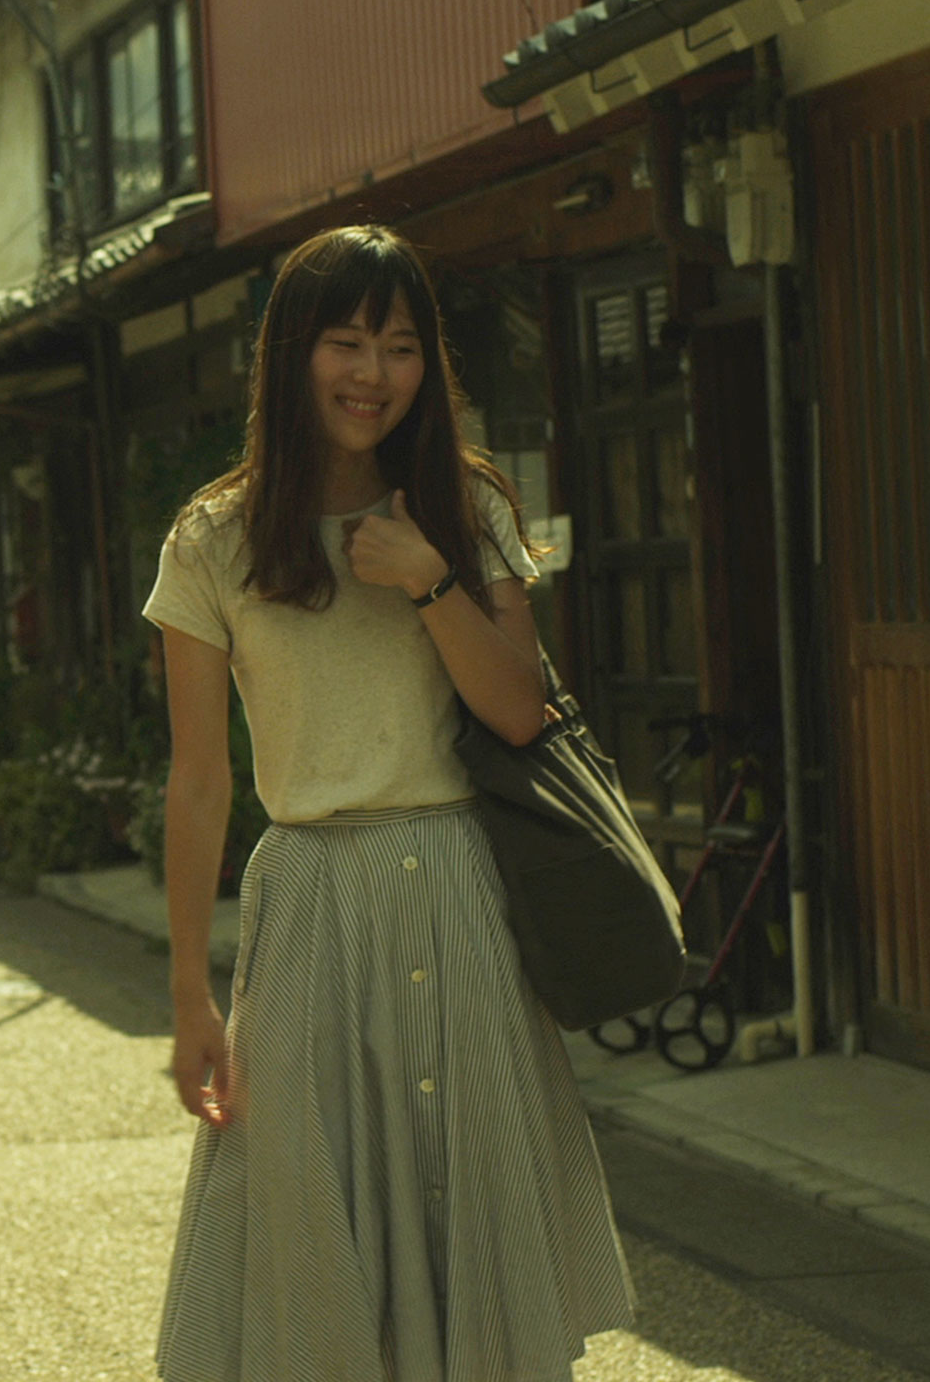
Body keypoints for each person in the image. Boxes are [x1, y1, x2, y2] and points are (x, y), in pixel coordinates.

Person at [145, 225, 633, 1381]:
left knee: (477, 1232)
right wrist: (188, 993)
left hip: (461, 889)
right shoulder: (213, 536)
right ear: (292, 353)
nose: (374, 373)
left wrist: (428, 577)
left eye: (402, 346)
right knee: (311, 1235)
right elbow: (199, 779)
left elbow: (519, 710)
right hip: (310, 904)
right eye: (348, 342)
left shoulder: (465, 507)